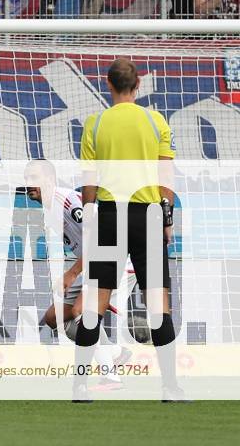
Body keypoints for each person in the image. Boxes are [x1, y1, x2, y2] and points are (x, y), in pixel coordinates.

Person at [78, 58, 183, 402]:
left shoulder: (95, 124)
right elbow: (165, 174)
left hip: (108, 215)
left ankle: (80, 386)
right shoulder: (155, 122)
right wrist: (167, 217)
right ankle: (169, 387)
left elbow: (89, 180)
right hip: (146, 216)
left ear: (108, 85)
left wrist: (91, 212)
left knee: (95, 302)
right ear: (137, 86)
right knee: (158, 304)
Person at [24, 160, 133, 391]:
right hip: (94, 263)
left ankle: (110, 377)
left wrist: (71, 274)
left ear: (50, 180)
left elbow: (100, 239)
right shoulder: (49, 209)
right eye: (26, 179)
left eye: (34, 178)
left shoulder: (68, 201)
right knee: (55, 318)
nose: (28, 183)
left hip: (114, 259)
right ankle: (114, 352)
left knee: (79, 312)